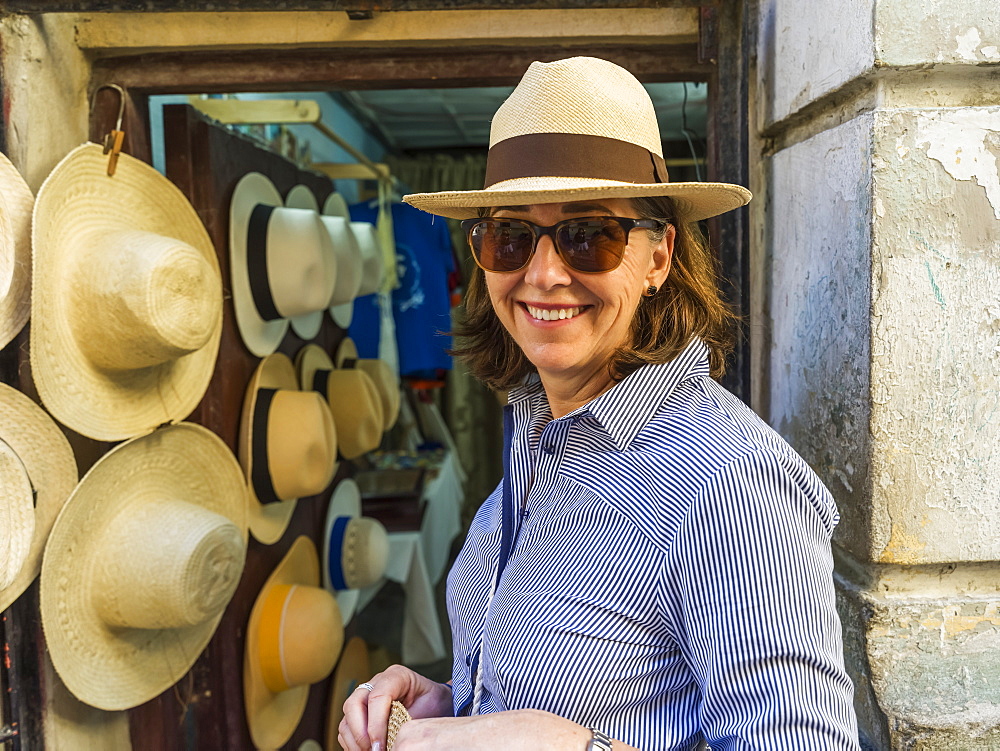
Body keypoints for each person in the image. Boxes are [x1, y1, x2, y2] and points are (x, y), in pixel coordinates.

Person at [339, 56, 860, 751]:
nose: (544, 273)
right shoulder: (539, 437)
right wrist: (455, 703)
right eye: (511, 236)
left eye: (590, 235)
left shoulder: (730, 482)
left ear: (659, 257)